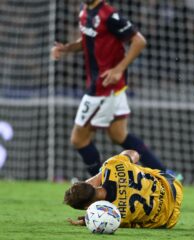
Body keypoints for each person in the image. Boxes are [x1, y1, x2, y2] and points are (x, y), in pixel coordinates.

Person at [51, 0, 168, 176]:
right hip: (108, 86)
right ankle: (167, 175)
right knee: (119, 135)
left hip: (103, 87)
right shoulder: (84, 11)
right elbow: (87, 40)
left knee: (78, 139)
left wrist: (118, 69)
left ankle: (101, 187)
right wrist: (67, 48)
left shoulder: (109, 15)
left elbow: (139, 41)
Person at [64, 149, 183, 228]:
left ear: (86, 207)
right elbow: (134, 153)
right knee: (132, 166)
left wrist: (88, 220)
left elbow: (105, 219)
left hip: (169, 218)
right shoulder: (112, 165)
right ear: (91, 185)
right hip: (171, 184)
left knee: (137, 220)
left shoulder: (116, 215)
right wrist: (102, 173)